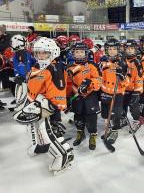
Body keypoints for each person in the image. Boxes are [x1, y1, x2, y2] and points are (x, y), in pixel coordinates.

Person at [13, 37, 73, 173]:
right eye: (38, 53)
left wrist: (48, 106)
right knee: (32, 129)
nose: (41, 55)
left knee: (44, 132)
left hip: (43, 107)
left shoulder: (54, 68)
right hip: (32, 104)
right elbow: (31, 85)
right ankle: (40, 146)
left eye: (44, 53)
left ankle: (62, 156)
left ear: (53, 52)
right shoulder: (37, 66)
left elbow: (58, 92)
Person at [67, 42, 102, 150]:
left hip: (90, 96)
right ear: (73, 54)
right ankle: (80, 132)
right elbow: (68, 83)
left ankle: (93, 135)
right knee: (78, 115)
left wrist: (89, 83)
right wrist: (67, 98)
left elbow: (98, 79)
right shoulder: (70, 67)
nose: (79, 54)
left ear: (86, 53)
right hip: (76, 96)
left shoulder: (92, 65)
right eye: (77, 52)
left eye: (82, 52)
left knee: (91, 117)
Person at [100, 39, 129, 145]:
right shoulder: (102, 62)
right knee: (105, 114)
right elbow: (99, 77)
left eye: (114, 49)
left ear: (118, 50)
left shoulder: (122, 63)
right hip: (105, 92)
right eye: (109, 49)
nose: (112, 51)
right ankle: (109, 129)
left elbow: (128, 82)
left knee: (115, 114)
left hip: (117, 94)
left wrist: (122, 77)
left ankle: (115, 131)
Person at [121, 39, 143, 132]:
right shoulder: (121, 60)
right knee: (122, 106)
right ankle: (123, 119)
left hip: (133, 90)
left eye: (132, 49)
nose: (129, 50)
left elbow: (139, 78)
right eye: (127, 48)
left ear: (135, 50)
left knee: (134, 107)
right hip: (122, 89)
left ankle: (136, 121)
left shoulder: (137, 62)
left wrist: (137, 91)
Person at [0, 24, 11, 92]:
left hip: (6, 56)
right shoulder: (1, 37)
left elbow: (5, 45)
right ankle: (4, 86)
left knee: (6, 71)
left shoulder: (8, 36)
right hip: (1, 56)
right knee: (2, 72)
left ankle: (8, 86)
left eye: (2, 29)